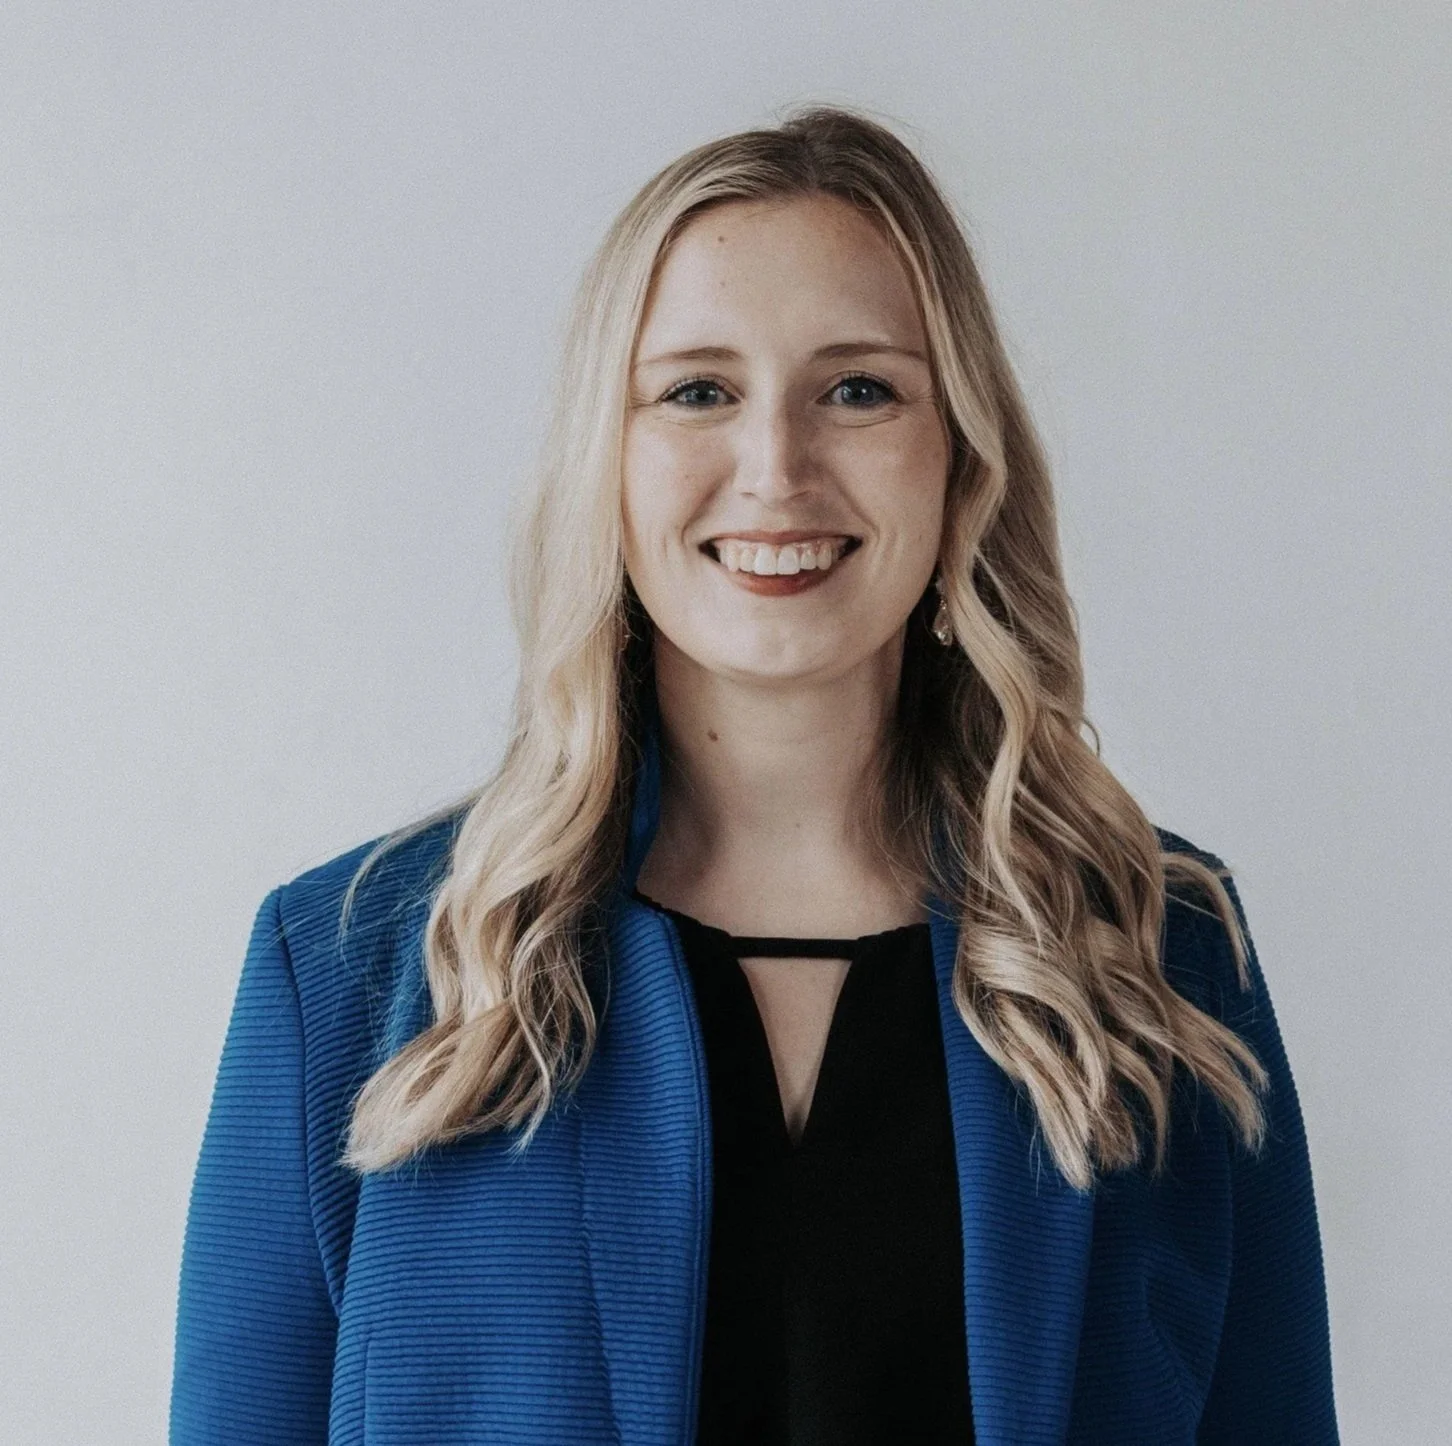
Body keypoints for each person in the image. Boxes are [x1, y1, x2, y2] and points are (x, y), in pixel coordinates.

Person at [169, 105, 1339, 1445]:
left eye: (859, 389)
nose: (776, 468)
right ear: (607, 460)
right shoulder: (349, 970)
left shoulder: (1162, 955)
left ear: (960, 454)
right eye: (697, 391)